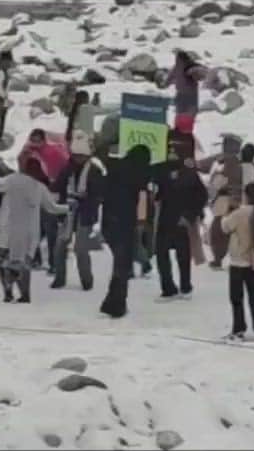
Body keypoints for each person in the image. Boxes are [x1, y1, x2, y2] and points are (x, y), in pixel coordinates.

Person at [0, 158, 68, 303]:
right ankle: (25, 294)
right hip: (29, 232)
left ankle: (8, 291)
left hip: (7, 227)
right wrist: (69, 208)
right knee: (23, 263)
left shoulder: (12, 180)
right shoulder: (39, 187)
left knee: (1, 261)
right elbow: (53, 208)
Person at [100, 145, 152, 319]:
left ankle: (113, 301)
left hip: (108, 221)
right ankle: (116, 304)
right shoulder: (137, 173)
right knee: (122, 265)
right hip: (125, 222)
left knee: (120, 263)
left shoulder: (115, 168)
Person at [152, 140, 208, 300]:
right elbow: (159, 191)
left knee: (183, 255)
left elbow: (202, 196)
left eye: (174, 150)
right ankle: (168, 287)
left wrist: (190, 215)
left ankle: (185, 286)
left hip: (181, 220)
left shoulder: (190, 174)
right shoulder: (162, 170)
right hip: (165, 218)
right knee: (161, 253)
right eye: (169, 150)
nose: (171, 153)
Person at [51, 132, 105, 291]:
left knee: (80, 249)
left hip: (84, 213)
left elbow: (98, 194)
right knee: (60, 246)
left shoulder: (94, 171)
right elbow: (58, 186)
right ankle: (59, 278)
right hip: (67, 210)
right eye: (76, 156)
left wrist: (84, 199)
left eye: (81, 156)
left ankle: (87, 280)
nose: (78, 159)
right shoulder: (67, 169)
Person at [222, 183, 254, 340]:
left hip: (238, 260)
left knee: (236, 297)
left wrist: (229, 211)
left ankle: (239, 327)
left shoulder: (241, 213)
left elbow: (225, 227)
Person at [18, 128, 69, 271]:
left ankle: (54, 263)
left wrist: (57, 188)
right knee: (34, 229)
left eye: (37, 139)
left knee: (50, 230)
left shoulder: (53, 152)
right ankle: (34, 258)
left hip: (49, 195)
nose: (34, 142)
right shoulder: (26, 153)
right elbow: (22, 171)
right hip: (32, 196)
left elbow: (62, 170)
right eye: (32, 139)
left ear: (43, 139)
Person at [206, 135, 243, 269]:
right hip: (238, 201)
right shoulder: (241, 162)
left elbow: (216, 183)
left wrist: (211, 192)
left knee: (218, 230)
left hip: (224, 200)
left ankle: (218, 258)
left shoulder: (225, 163)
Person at [166, 51, 205, 134]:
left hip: (188, 96)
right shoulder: (178, 67)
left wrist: (194, 73)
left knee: (185, 116)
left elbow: (201, 74)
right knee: (183, 116)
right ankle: (182, 132)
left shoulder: (190, 66)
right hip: (183, 96)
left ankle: (184, 133)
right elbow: (170, 78)